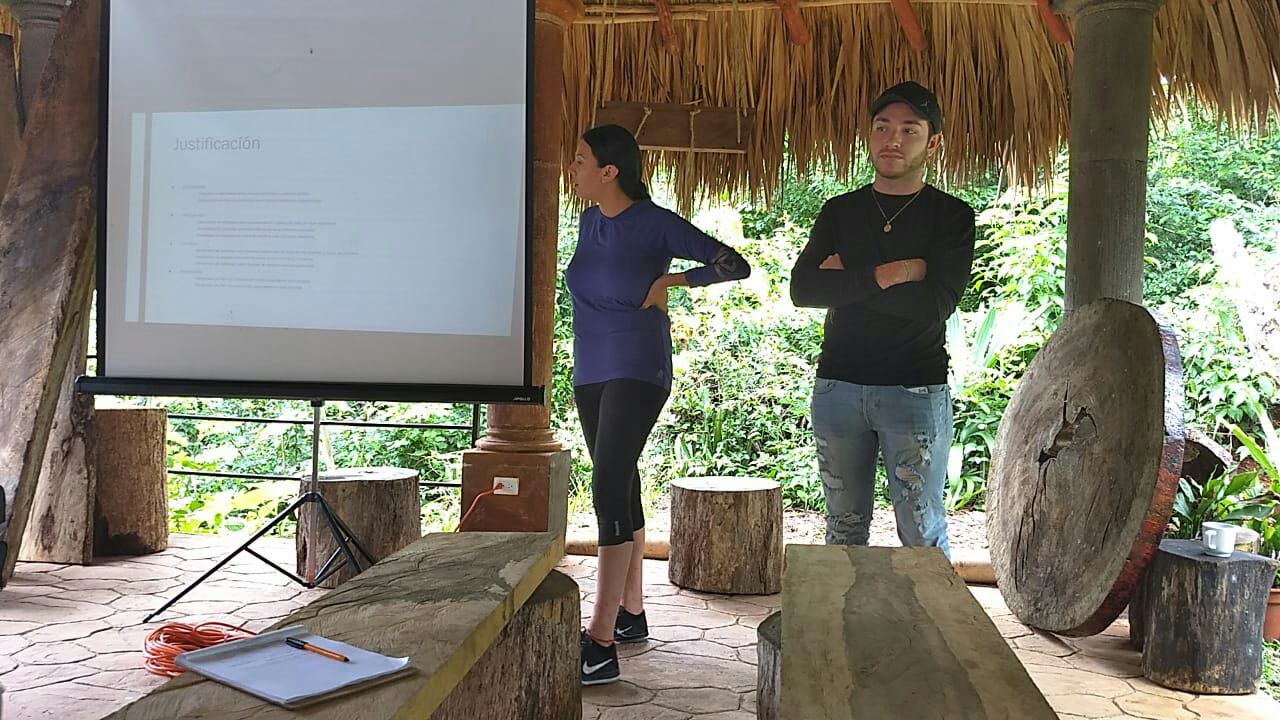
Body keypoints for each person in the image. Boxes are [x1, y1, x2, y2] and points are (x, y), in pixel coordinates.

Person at [567, 124, 750, 686]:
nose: (572, 169)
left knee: (606, 485)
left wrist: (675, 279)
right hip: (590, 369)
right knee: (620, 480)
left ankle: (600, 642)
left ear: (609, 171)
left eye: (580, 160)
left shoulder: (655, 223)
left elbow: (733, 263)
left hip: (638, 364)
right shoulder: (590, 221)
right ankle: (632, 613)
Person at [789, 81, 976, 557]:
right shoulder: (840, 211)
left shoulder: (951, 216)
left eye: (909, 130)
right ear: (869, 135)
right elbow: (804, 290)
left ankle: (928, 613)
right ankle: (847, 611)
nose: (893, 139)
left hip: (915, 389)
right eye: (883, 127)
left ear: (933, 142)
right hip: (837, 387)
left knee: (921, 531)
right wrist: (895, 273)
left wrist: (848, 280)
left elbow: (934, 305)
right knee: (843, 527)